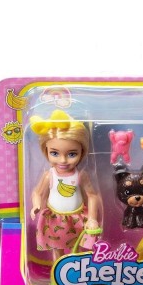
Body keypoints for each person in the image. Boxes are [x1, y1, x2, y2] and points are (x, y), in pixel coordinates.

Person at [29, 110, 100, 260]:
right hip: (54, 218)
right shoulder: (49, 175)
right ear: (46, 151)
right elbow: (37, 192)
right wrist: (36, 205)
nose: (63, 160)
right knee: (57, 249)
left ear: (82, 152)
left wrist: (92, 218)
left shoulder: (81, 175)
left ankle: (76, 269)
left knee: (78, 248)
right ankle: (58, 269)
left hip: (77, 217)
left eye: (72, 154)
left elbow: (92, 196)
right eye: (55, 153)